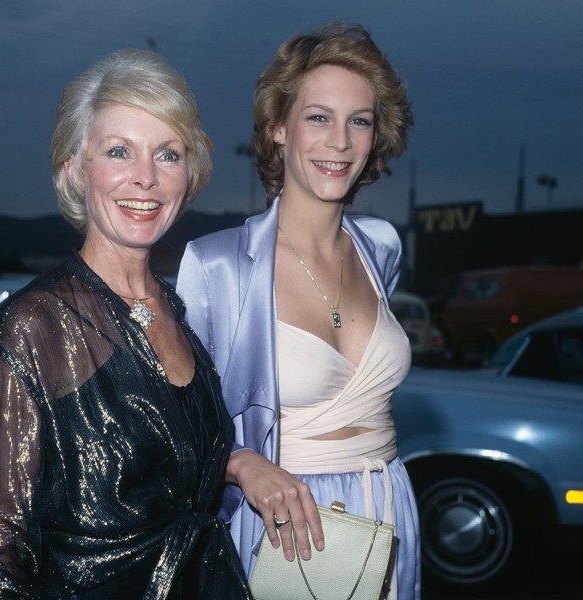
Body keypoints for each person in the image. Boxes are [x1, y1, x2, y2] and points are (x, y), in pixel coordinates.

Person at [0, 49, 250, 599]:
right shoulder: (36, 327)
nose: (145, 177)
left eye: (168, 154)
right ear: (74, 169)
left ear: (189, 177)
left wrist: (241, 465)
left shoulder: (176, 310)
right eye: (120, 151)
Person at [177, 22, 420, 600]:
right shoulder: (218, 266)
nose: (340, 140)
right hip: (287, 529)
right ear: (278, 129)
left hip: (390, 511)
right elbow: (177, 426)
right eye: (318, 117)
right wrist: (238, 463)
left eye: (358, 120)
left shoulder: (381, 246)